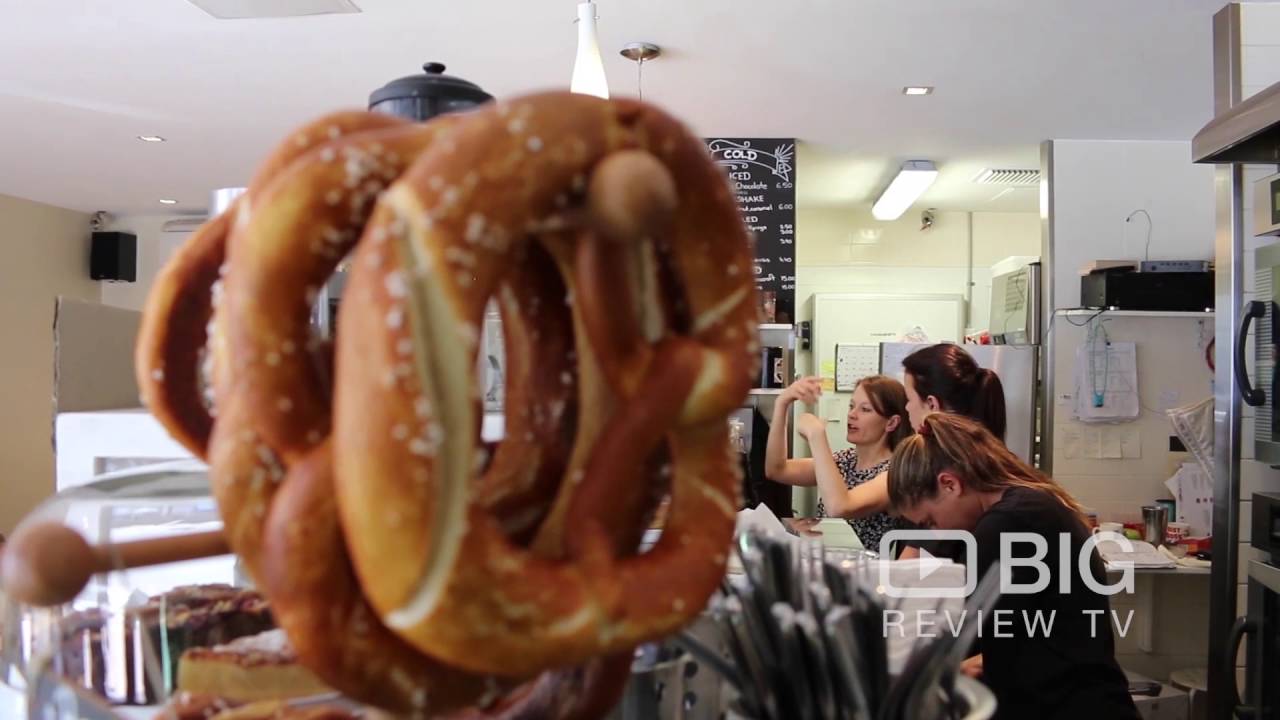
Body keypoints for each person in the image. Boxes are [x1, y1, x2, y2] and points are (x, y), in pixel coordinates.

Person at [887, 413, 1139, 720]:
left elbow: (960, 631)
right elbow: (1011, 637)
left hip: (1068, 706)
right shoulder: (1027, 502)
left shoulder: (1006, 524)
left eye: (929, 521)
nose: (935, 533)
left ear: (950, 484)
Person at [764, 375, 913, 552]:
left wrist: (817, 436)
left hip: (866, 573)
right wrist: (782, 404)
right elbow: (776, 469)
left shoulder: (896, 472)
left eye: (865, 409)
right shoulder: (845, 460)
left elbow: (839, 507)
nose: (852, 414)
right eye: (851, 406)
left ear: (891, 423)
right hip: (828, 563)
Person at [901, 343, 1006, 439]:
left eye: (909, 399)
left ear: (932, 405)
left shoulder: (928, 459)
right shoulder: (996, 456)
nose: (906, 407)